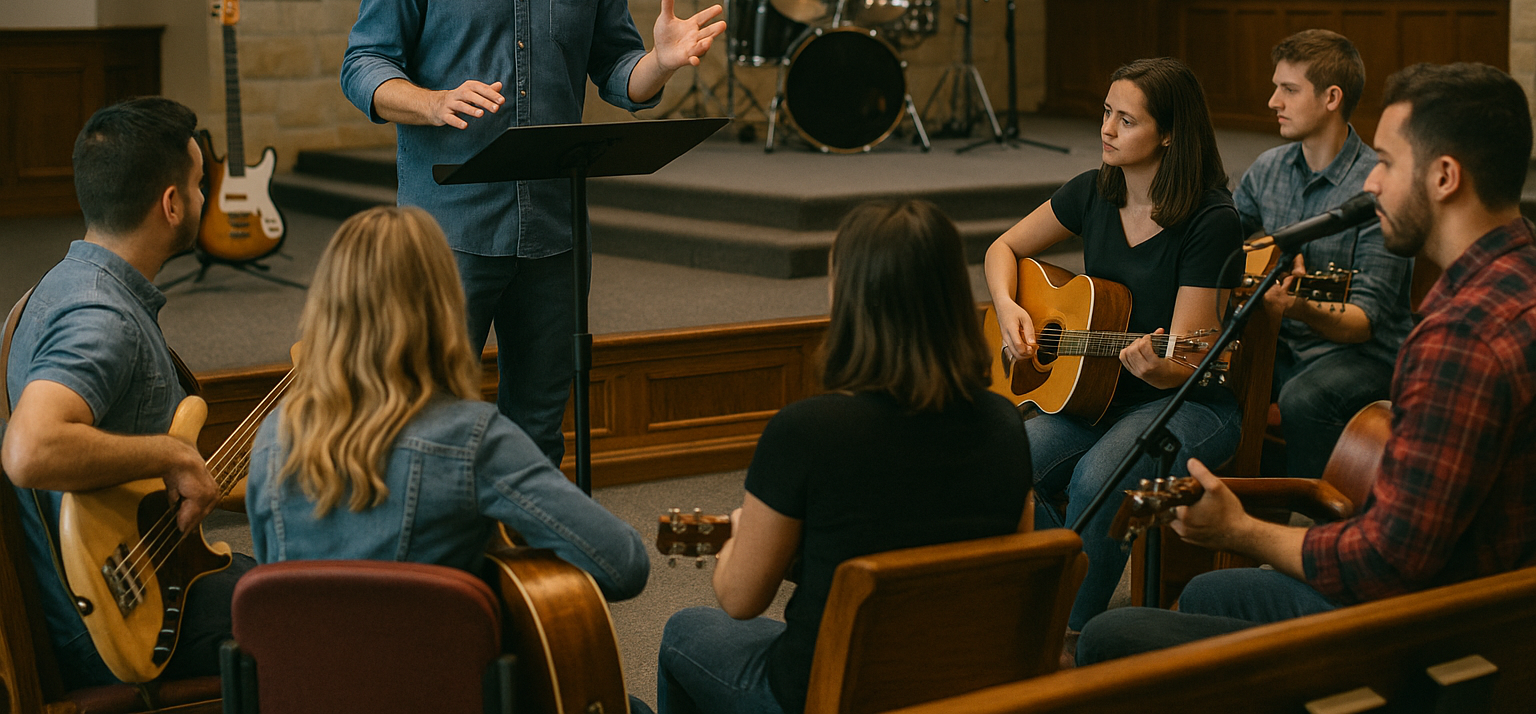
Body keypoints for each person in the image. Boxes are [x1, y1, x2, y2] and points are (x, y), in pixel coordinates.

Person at [1077, 61, 1536, 664]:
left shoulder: (1462, 338)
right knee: (1211, 589)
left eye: (1390, 164)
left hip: (1433, 630)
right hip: (1483, 595)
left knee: (1112, 636)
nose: (1371, 184)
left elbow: (1384, 564)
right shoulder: (1513, 277)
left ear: (1445, 176)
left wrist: (1240, 529)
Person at [339, 0, 726, 466]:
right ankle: (441, 571)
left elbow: (618, 76)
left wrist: (660, 64)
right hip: (448, 231)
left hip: (552, 231)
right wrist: (432, 102)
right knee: (431, 423)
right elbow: (363, 66)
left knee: (539, 429)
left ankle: (530, 572)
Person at [657, 200, 1033, 714]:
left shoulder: (806, 432)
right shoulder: (1006, 425)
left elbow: (741, 601)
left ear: (854, 300)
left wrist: (738, 542)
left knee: (685, 630)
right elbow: (1009, 564)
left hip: (832, 692)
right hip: (959, 684)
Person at [245, 205, 648, 601]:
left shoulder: (272, 438)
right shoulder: (474, 439)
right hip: (434, 667)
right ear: (443, 303)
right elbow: (624, 565)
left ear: (325, 309)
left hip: (302, 668)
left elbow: (278, 593)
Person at [984, 56, 1244, 650]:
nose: (1106, 129)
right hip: (1097, 394)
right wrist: (1008, 306)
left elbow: (1187, 359)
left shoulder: (1211, 220)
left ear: (1170, 133)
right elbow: (1004, 247)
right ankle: (1037, 595)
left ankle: (1069, 631)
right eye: (1107, 112)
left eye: (1126, 120)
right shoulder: (1095, 190)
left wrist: (1163, 365)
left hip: (1187, 403)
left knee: (1099, 478)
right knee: (1001, 464)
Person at [2, 97, 253, 689]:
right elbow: (29, 450)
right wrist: (171, 455)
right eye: (197, 184)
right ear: (171, 204)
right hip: (111, 631)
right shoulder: (100, 316)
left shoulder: (60, 285)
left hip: (132, 580)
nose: (201, 197)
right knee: (337, 617)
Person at [1234, 30, 1414, 478]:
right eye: (1276, 87)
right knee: (1212, 368)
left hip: (1363, 353)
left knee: (1304, 397)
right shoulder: (1269, 168)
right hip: (1281, 340)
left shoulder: (1376, 184)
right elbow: (1219, 244)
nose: (1273, 101)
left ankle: (1314, 520)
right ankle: (1234, 505)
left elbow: (1364, 322)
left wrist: (1295, 306)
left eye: (1288, 90)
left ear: (1332, 97)